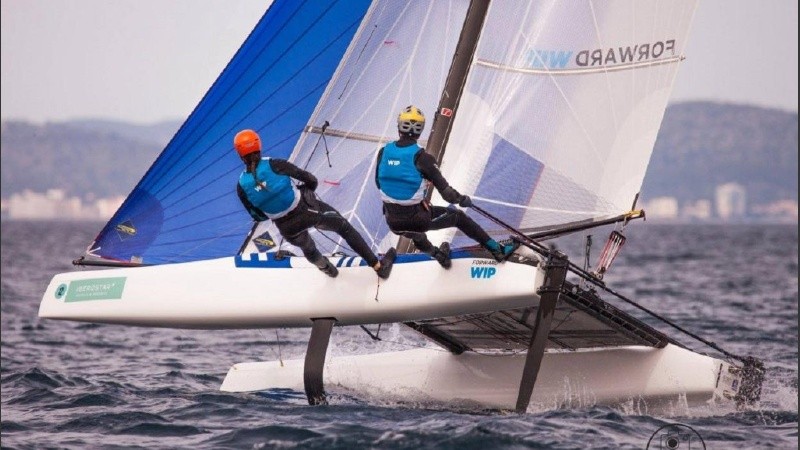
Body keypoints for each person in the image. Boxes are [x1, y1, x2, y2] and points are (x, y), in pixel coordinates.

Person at [234, 129, 396, 279]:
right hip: (307, 210)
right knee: (344, 228)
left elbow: (257, 216)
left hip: (287, 228)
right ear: (259, 146)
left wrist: (272, 209)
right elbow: (311, 180)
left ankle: (327, 269)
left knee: (308, 248)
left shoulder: (241, 185)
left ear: (240, 155)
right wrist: (306, 191)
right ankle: (378, 266)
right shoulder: (275, 165)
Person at [374, 105, 517, 268]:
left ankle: (438, 256)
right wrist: (462, 199)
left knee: (416, 235)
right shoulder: (423, 158)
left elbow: (378, 183)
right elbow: (448, 195)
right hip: (418, 220)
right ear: (420, 131)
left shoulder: (383, 152)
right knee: (458, 218)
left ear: (399, 127)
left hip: (392, 221)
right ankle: (497, 249)